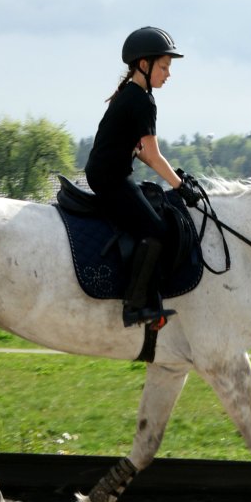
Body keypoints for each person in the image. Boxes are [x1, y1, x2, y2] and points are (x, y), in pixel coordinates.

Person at [84, 26, 199, 329]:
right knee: (157, 231)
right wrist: (181, 187)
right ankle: (135, 306)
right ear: (144, 65)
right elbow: (153, 153)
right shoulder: (142, 100)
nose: (168, 74)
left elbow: (145, 155)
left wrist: (178, 179)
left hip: (107, 174)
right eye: (164, 66)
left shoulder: (132, 94)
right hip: (111, 178)